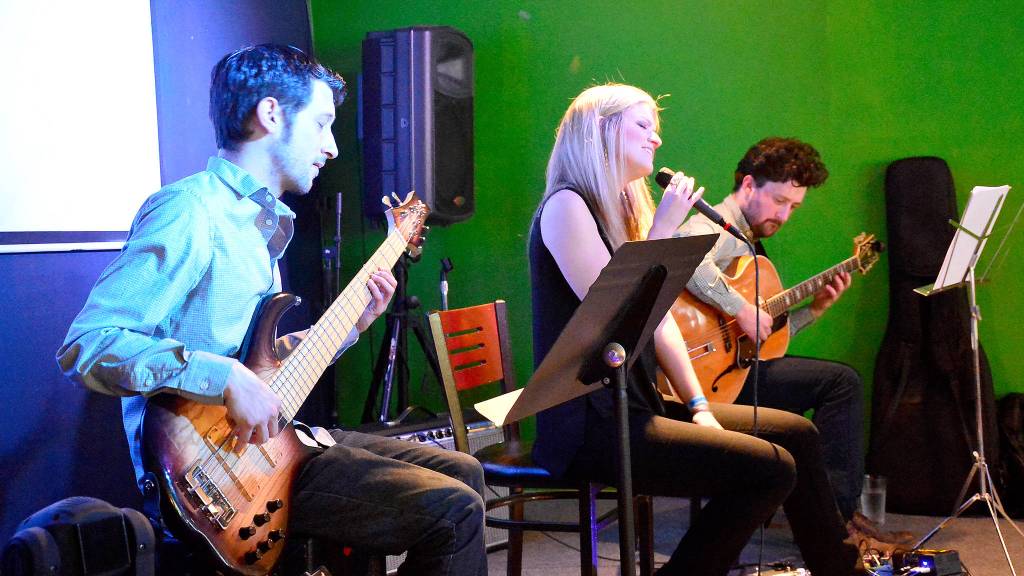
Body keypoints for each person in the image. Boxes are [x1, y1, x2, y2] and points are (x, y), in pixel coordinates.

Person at [56, 44, 486, 576]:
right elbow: (88, 344)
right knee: (456, 511)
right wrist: (225, 378)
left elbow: (262, 368)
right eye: (323, 123)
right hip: (212, 476)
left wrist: (350, 327)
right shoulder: (191, 210)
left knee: (467, 474)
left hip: (268, 447)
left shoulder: (259, 228)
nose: (331, 147)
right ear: (271, 114)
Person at [530, 84, 863, 576]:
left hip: (637, 404)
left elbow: (660, 324)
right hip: (592, 424)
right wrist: (664, 232)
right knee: (769, 471)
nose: (656, 140)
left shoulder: (621, 211)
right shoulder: (566, 207)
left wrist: (701, 408)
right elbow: (619, 320)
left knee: (798, 434)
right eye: (643, 126)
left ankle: (840, 568)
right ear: (600, 130)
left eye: (656, 129)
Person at [675, 137, 872, 525]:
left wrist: (812, 311)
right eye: (780, 201)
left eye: (794, 208)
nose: (784, 216)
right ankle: (835, 522)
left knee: (833, 382)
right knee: (842, 383)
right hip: (701, 383)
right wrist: (741, 308)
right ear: (748, 185)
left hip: (733, 373)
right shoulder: (713, 225)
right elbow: (684, 254)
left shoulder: (749, 246)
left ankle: (825, 514)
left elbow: (763, 342)